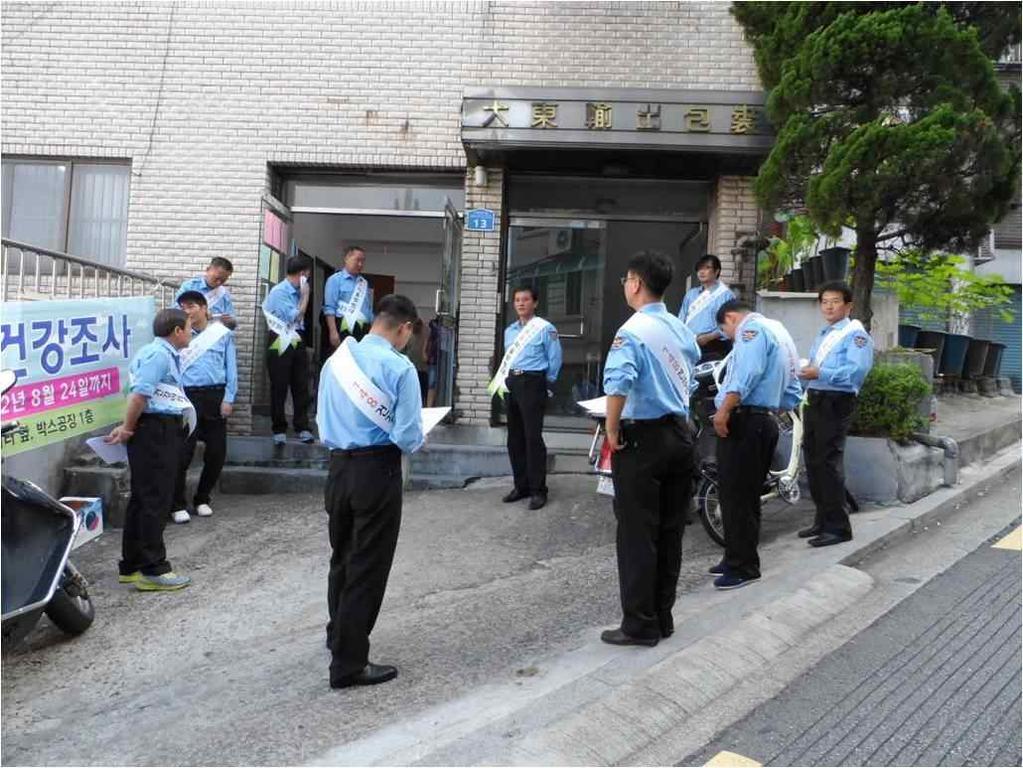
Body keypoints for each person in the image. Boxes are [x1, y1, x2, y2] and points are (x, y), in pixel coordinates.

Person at [317, 294, 424, 689]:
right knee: (368, 565)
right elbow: (408, 436)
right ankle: (349, 663)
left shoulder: (335, 363)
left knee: (341, 557)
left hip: (338, 467)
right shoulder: (400, 368)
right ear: (405, 328)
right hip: (376, 470)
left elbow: (321, 421)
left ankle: (338, 635)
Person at [600, 251, 700, 647]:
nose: (624, 285)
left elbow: (619, 381)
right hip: (679, 435)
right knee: (670, 531)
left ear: (637, 282)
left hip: (642, 440)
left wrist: (610, 428)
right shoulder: (680, 329)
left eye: (626, 278)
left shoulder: (632, 330)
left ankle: (639, 625)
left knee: (638, 534)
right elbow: (687, 378)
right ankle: (662, 616)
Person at [711, 299, 802, 590]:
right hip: (760, 421)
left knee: (738, 497)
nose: (727, 337)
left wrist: (724, 410)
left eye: (725, 330)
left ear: (732, 317)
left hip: (745, 421)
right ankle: (735, 556)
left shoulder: (751, 332)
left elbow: (745, 375)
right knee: (740, 496)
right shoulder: (775, 332)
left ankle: (743, 567)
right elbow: (791, 387)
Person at [104, 308, 194, 592]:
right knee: (155, 499)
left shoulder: (158, 353)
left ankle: (131, 566)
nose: (191, 332)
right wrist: (128, 427)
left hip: (156, 429)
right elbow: (139, 394)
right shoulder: (158, 355)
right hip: (155, 430)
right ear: (177, 331)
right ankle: (153, 568)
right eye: (189, 327)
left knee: (143, 499)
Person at [798, 281, 874, 547]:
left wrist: (820, 373)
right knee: (814, 462)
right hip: (816, 398)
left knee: (828, 462)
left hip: (836, 401)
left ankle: (839, 527)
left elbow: (855, 373)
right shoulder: (824, 333)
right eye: (825, 302)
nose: (829, 306)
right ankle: (822, 520)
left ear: (848, 305)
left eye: (835, 301)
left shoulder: (855, 334)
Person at [490, 285, 563, 511]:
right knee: (515, 438)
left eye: (525, 299)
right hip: (512, 383)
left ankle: (538, 490)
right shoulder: (510, 331)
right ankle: (520, 485)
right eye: (517, 300)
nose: (520, 303)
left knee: (532, 438)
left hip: (532, 383)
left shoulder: (544, 329)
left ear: (535, 303)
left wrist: (546, 385)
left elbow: (555, 359)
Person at [170, 291, 238, 524]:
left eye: (191, 306)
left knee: (217, 452)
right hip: (187, 398)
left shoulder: (222, 334)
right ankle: (177, 503)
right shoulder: (178, 336)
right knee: (182, 452)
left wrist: (229, 397)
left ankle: (202, 498)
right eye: (183, 307)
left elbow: (231, 368)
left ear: (203, 307)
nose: (187, 311)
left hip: (215, 395)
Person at [263, 255, 315, 445]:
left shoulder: (296, 291)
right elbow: (294, 317)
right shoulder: (280, 292)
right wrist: (306, 296)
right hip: (280, 339)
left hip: (297, 338)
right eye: (307, 274)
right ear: (302, 274)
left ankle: (302, 427)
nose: (308, 278)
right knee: (279, 385)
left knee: (301, 384)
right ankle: (279, 429)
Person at [321, 245, 374, 363]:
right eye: (357, 260)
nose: (360, 264)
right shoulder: (335, 280)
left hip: (362, 329)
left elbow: (368, 309)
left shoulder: (363, 283)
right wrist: (333, 332)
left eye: (362, 261)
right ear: (347, 258)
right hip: (342, 326)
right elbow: (329, 308)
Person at [678, 254, 735, 362]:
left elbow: (731, 325)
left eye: (707, 268)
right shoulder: (691, 294)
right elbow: (681, 318)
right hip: (690, 345)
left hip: (714, 347)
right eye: (699, 268)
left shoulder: (726, 295)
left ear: (717, 271)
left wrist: (709, 337)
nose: (702, 272)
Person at [176, 257, 237, 329]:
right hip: (192, 334)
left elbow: (232, 319)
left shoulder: (224, 294)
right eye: (216, 278)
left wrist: (231, 322)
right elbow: (176, 310)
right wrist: (202, 314)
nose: (219, 282)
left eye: (223, 280)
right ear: (208, 270)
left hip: (217, 335)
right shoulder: (189, 286)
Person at [425, 316, 441, 408]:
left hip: (436, 358)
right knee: (432, 384)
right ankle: (429, 405)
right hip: (434, 358)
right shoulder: (434, 327)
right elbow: (429, 340)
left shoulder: (435, 327)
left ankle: (430, 405)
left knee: (432, 384)